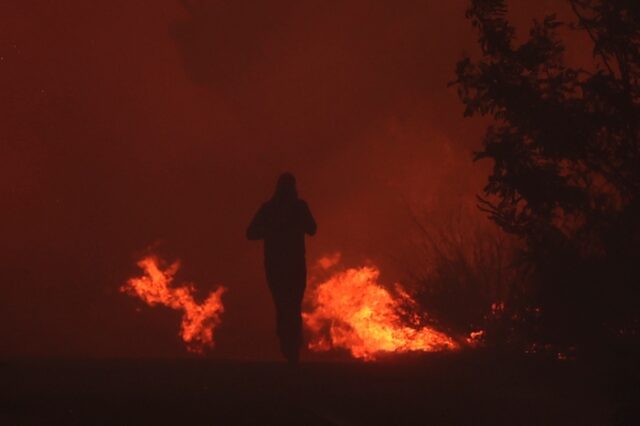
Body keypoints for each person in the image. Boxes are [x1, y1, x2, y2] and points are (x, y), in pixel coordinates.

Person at [247, 173, 317, 365]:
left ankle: (289, 348)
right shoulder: (298, 207)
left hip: (277, 265)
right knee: (292, 306)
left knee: (284, 307)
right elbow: (312, 229)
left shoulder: (270, 209)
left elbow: (251, 233)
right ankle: (292, 349)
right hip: (292, 265)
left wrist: (272, 230)